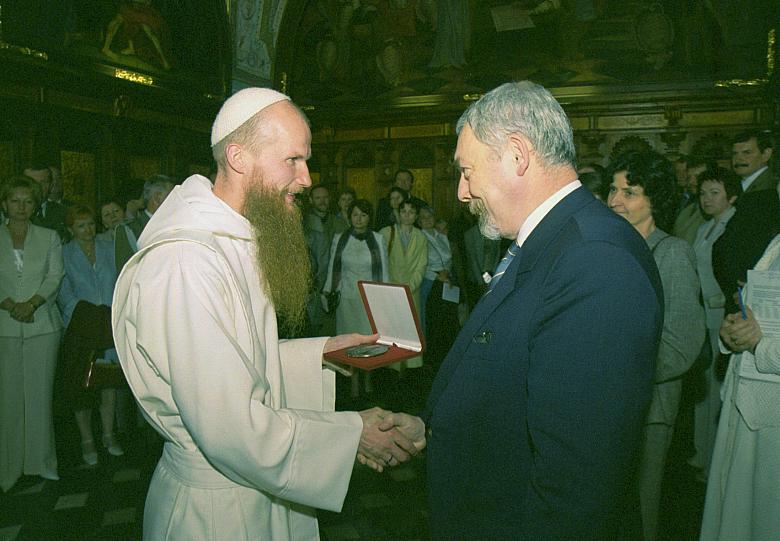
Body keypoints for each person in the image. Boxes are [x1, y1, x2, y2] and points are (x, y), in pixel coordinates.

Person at [111, 87, 423, 539]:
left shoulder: (230, 237)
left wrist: (319, 351)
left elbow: (232, 361)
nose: (308, 178)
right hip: (215, 513)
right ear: (239, 158)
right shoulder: (187, 261)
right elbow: (230, 427)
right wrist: (351, 432)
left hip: (245, 495)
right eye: (293, 160)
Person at [423, 81, 664, 540]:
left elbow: (575, 485)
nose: (460, 192)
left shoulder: (595, 258)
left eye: (467, 172)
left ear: (517, 154)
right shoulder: (551, 241)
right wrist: (432, 427)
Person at [607, 150, 705, 541]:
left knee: (641, 512)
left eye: (629, 192)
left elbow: (682, 344)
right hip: (610, 404)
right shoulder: (614, 249)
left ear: (655, 200)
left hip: (650, 407)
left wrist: (619, 372)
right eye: (613, 190)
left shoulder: (673, 253)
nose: (615, 200)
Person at [700, 204, 780, 540]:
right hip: (747, 400)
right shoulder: (776, 242)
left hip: (770, 413)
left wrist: (760, 345)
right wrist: (732, 333)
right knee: (734, 516)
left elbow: (765, 338)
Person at [0, 175, 64, 491]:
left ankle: (43, 462)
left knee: (40, 396)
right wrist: (10, 303)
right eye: (15, 200)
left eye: (28, 201)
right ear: (4, 204)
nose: (21, 207)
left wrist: (34, 303)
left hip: (42, 326)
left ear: (35, 205)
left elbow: (55, 275)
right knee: (8, 399)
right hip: (5, 326)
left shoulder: (49, 236)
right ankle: (9, 469)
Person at [58, 205, 124, 466]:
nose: (88, 230)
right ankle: (87, 439)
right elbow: (63, 291)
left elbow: (119, 280)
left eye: (91, 224)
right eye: (81, 226)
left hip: (108, 322)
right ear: (71, 229)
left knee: (106, 379)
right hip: (81, 326)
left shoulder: (108, 249)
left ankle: (109, 435)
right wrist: (82, 314)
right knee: (80, 384)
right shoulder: (64, 253)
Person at [689, 166, 740, 475]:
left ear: (731, 196)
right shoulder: (704, 227)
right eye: (703, 193)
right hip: (702, 315)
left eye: (714, 193)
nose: (706, 199)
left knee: (717, 386)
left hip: (720, 317)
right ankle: (701, 452)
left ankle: (715, 460)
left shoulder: (733, 227)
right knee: (704, 387)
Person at [323, 199, 389, 397]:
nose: (359, 219)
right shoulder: (340, 238)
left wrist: (384, 297)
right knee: (350, 342)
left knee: (369, 341)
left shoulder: (378, 239)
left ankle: (368, 381)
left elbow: (384, 269)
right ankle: (353, 383)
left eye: (363, 215)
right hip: (348, 299)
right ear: (349, 217)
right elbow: (333, 268)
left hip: (369, 299)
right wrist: (327, 292)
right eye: (355, 215)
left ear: (369, 217)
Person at [712, 130, 779, 314]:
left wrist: (752, 284)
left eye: (747, 152)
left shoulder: (771, 192)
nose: (738, 159)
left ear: (766, 154)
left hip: (755, 292)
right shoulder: (739, 186)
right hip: (736, 291)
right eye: (735, 153)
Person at [380, 199, 427, 371]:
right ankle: (393, 369)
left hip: (411, 291)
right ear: (398, 214)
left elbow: (422, 265)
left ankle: (409, 371)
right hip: (390, 290)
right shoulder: (386, 233)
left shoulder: (421, 236)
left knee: (410, 331)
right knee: (392, 331)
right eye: (403, 211)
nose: (407, 215)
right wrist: (389, 287)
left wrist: (409, 286)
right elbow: (381, 262)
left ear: (416, 216)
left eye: (411, 212)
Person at [418, 206, 458, 366]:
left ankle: (447, 357)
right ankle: (432, 360)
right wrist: (437, 276)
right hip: (431, 281)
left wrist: (447, 275)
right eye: (423, 217)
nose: (427, 220)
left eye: (430, 216)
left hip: (447, 281)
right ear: (419, 221)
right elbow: (420, 264)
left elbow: (448, 259)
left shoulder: (441, 235)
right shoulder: (419, 237)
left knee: (448, 321)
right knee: (433, 322)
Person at [114, 174, 174, 272]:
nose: (176, 202)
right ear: (157, 197)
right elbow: (125, 274)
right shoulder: (129, 230)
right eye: (172, 196)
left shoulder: (174, 227)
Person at [23, 163, 69, 241]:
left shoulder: (65, 212)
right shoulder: (13, 212)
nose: (38, 187)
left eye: (43, 182)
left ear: (51, 185)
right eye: (32, 182)